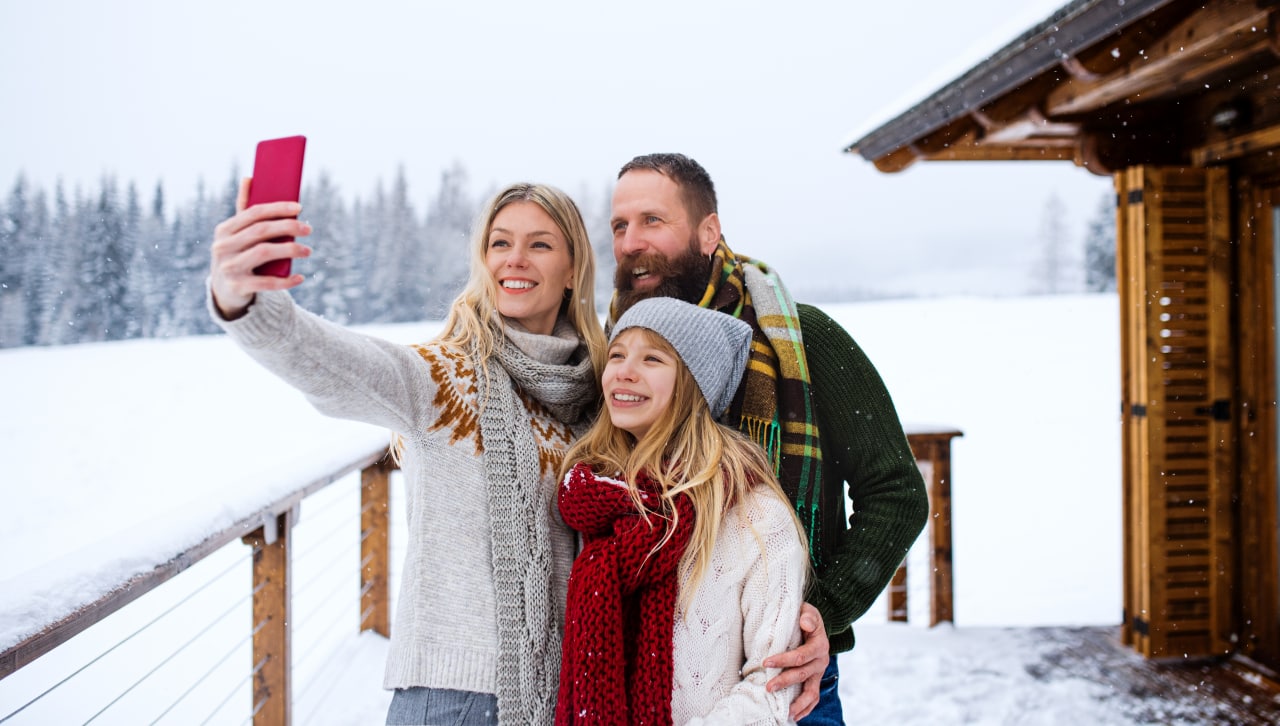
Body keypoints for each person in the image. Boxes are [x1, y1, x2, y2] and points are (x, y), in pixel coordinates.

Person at [208, 180, 608, 726]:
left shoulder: (595, 401)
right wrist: (245, 300)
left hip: (566, 697)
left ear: (572, 270)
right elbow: (325, 361)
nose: (515, 259)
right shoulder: (444, 378)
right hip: (450, 699)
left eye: (539, 244)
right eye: (499, 243)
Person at [608, 153, 931, 725]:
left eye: (652, 221)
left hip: (783, 668)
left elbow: (896, 492)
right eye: (619, 226)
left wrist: (819, 616)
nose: (632, 242)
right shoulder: (614, 354)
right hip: (646, 668)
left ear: (709, 231)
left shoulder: (803, 342)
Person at [556, 296, 810, 725]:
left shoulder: (754, 515)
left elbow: (770, 692)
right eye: (617, 354)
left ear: (694, 383)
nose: (625, 370)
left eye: (653, 358)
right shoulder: (590, 505)